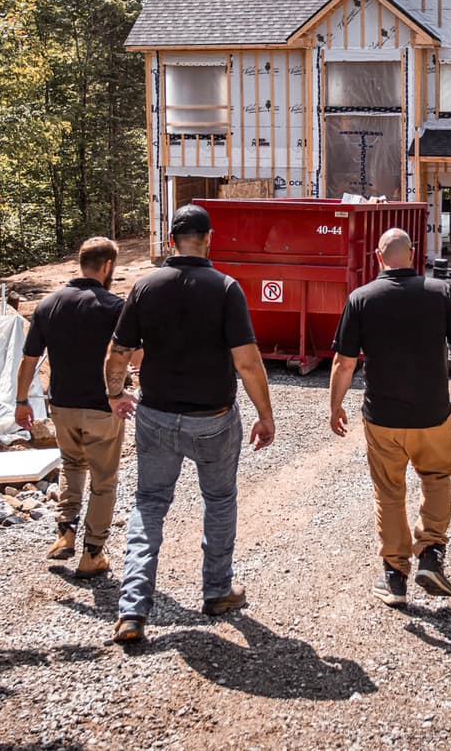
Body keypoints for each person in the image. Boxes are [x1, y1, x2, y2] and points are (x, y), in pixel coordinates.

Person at [104, 204, 275, 643]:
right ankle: (217, 591)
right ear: (209, 238)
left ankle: (132, 609)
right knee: (218, 501)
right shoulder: (225, 288)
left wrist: (115, 393)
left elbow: (117, 353)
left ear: (170, 240)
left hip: (156, 415)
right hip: (213, 419)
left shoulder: (144, 287)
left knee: (149, 504)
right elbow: (248, 361)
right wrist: (264, 414)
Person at [328, 227, 451, 607]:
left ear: (378, 258)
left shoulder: (361, 299)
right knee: (437, 478)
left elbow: (343, 364)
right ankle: (430, 553)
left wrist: (335, 406)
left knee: (390, 493)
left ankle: (394, 577)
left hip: (383, 417)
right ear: (413, 254)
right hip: (432, 415)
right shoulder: (440, 293)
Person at [15, 237, 130, 579]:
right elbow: (130, 356)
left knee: (72, 464)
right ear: (107, 266)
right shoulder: (114, 306)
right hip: (101, 407)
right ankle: (92, 552)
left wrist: (21, 402)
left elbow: (29, 359)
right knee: (104, 480)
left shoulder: (48, 305)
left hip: (61, 405)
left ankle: (65, 532)